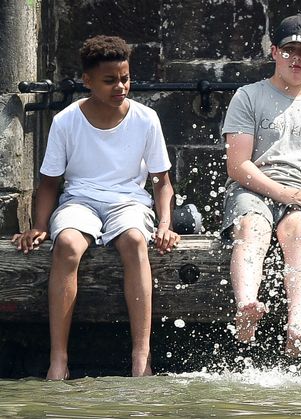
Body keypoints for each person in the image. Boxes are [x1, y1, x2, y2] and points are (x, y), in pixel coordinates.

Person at [11, 35, 180, 380]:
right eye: (110, 80)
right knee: (69, 244)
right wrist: (37, 225)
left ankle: (140, 358)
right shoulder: (66, 121)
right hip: (80, 201)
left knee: (135, 241)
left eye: (125, 78)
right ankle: (58, 360)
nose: (120, 86)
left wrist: (165, 224)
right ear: (87, 81)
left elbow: (162, 182)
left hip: (129, 202)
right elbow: (50, 184)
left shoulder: (146, 119)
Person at [220, 14, 301, 357]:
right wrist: (282, 193)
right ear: (274, 52)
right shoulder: (248, 96)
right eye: (288, 50)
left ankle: (296, 324)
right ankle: (247, 305)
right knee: (253, 226)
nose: (296, 59)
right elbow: (238, 165)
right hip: (253, 188)